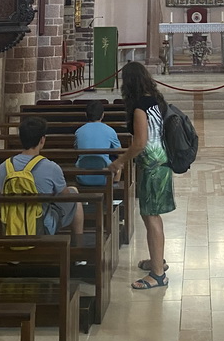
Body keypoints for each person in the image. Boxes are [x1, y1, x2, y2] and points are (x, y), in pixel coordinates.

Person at [110, 61, 174, 290]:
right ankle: (157, 261)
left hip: (152, 165)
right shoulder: (155, 101)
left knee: (151, 216)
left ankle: (157, 275)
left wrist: (119, 161)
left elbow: (139, 143)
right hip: (161, 161)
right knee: (152, 215)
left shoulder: (139, 107)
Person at [0, 115, 84, 237]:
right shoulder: (51, 167)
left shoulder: (4, 166)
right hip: (41, 226)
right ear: (42, 140)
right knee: (74, 196)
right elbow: (64, 195)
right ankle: (78, 244)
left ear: (20, 139)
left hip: (10, 224)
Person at [73, 100, 122, 185]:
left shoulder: (79, 131)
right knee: (119, 161)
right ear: (103, 115)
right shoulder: (110, 131)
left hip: (82, 177)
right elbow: (120, 153)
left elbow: (76, 149)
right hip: (106, 177)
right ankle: (115, 185)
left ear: (85, 115)